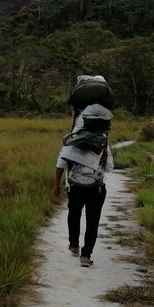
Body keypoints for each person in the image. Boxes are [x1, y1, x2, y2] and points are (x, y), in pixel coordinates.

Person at [52, 103, 113, 267]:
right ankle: (86, 256)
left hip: (75, 187)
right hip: (96, 188)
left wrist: (57, 185)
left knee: (74, 214)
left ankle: (73, 245)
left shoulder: (72, 139)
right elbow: (109, 167)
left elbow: (60, 163)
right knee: (93, 221)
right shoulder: (103, 142)